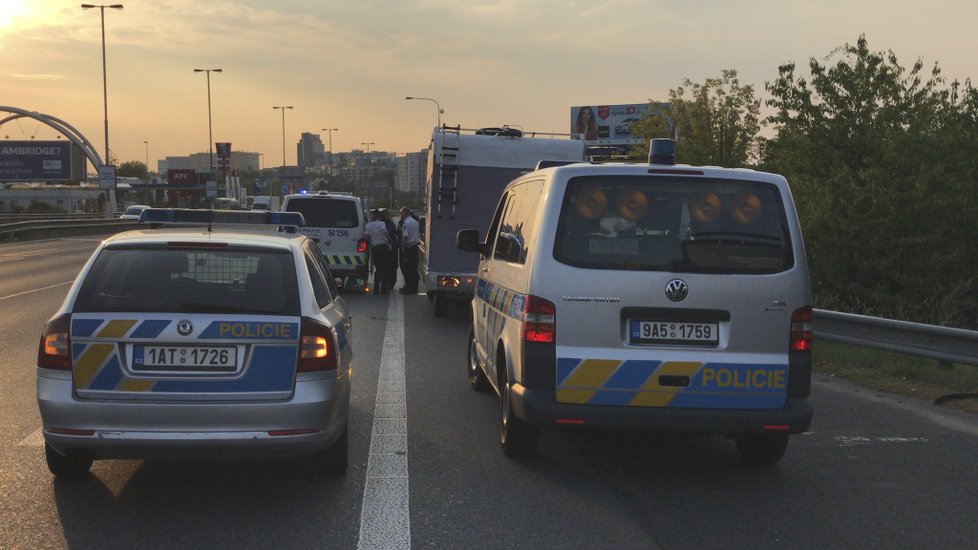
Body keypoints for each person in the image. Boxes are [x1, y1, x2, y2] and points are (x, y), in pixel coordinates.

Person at [365, 210, 393, 294]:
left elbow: (366, 236)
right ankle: (383, 288)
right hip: (383, 247)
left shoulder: (368, 225)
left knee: (378, 268)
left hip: (375, 248)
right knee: (385, 268)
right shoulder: (381, 224)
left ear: (373, 217)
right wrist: (390, 240)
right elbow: (385, 232)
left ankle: (376, 288)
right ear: (379, 217)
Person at [398, 206, 420, 294]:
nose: (400, 215)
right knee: (414, 268)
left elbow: (405, 237)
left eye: (401, 213)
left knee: (406, 269)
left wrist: (403, 248)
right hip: (415, 247)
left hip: (408, 248)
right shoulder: (415, 222)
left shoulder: (406, 223)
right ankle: (414, 288)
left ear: (405, 213)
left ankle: (408, 288)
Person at [381, 209, 399, 291]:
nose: (386, 216)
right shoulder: (381, 223)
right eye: (385, 214)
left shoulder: (391, 223)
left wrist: (389, 232)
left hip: (392, 247)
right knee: (385, 266)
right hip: (383, 247)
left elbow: (394, 232)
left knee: (393, 266)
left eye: (387, 214)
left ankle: (391, 283)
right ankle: (385, 282)